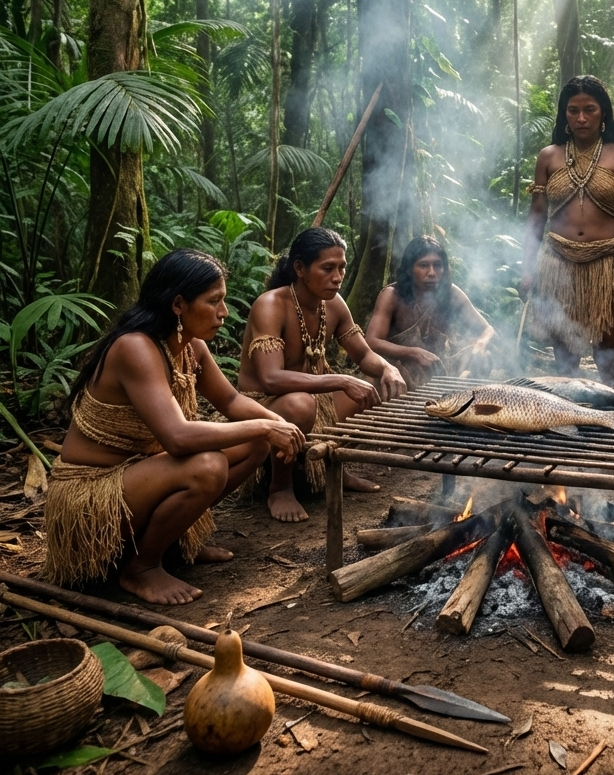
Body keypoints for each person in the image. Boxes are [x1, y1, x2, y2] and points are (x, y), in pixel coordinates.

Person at [44, 250, 305, 605]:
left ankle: (174, 542)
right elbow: (178, 438)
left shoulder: (190, 346)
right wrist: (263, 426)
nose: (224, 313)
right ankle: (141, 569)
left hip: (138, 478)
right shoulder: (136, 347)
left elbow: (229, 402)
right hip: (92, 498)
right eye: (214, 302)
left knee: (254, 445)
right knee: (208, 465)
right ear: (179, 304)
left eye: (223, 301)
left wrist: (279, 425)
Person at [237, 227, 406, 522]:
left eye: (342, 267)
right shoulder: (271, 305)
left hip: (314, 399)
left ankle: (334, 469)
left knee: (376, 383)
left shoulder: (334, 304)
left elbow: (365, 355)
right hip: (264, 407)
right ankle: (280, 487)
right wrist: (340, 380)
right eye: (328, 268)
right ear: (300, 269)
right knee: (299, 403)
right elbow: (271, 379)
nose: (338, 277)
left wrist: (389, 368)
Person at [521, 75, 614, 388]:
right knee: (564, 363)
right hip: (557, 266)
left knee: (610, 360)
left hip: (608, 265)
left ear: (603, 112)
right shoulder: (549, 156)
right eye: (573, 110)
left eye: (589, 109)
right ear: (564, 114)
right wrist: (526, 269)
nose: (581, 117)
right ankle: (567, 431)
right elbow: (536, 217)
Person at [365, 235, 497, 389]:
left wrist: (480, 344)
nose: (432, 273)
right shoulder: (392, 295)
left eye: (437, 265)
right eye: (423, 265)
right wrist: (413, 353)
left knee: (484, 356)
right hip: (398, 372)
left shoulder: (451, 294)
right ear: (409, 269)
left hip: (439, 372)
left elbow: (488, 330)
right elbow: (372, 341)